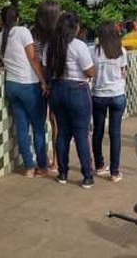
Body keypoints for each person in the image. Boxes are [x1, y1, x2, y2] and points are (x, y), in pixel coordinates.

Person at [44, 12, 97, 188]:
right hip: (77, 91)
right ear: (74, 27)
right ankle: (87, 176)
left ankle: (62, 173)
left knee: (62, 132)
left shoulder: (50, 46)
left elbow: (46, 68)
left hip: (57, 90)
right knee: (81, 133)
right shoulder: (79, 46)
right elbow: (90, 72)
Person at [0, 5, 49, 177]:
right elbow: (33, 59)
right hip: (29, 85)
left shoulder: (0, 37)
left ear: (2, 20)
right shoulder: (22, 32)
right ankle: (41, 166)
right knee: (38, 128)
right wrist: (43, 81)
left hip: (11, 86)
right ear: (17, 18)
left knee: (21, 127)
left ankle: (28, 166)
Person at [91, 21, 128, 182]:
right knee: (115, 133)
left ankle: (99, 165)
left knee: (98, 131)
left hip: (98, 95)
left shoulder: (93, 51)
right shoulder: (121, 51)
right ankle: (114, 172)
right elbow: (123, 72)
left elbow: (89, 71)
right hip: (117, 94)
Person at [32, 0, 61, 172]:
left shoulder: (32, 33)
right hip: (54, 80)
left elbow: (34, 59)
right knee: (56, 122)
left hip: (36, 81)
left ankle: (45, 161)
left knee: (40, 123)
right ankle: (56, 161)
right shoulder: (58, 35)